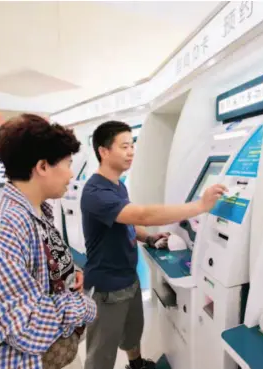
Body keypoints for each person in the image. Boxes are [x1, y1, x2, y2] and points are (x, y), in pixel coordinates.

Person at [0, 114, 97, 369]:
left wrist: (68, 272)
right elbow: (25, 326)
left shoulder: (37, 212)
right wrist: (83, 306)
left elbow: (34, 266)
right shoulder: (5, 229)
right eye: (68, 163)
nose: (71, 174)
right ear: (43, 167)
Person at [81, 121, 227, 369]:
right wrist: (199, 207)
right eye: (124, 146)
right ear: (103, 151)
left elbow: (127, 222)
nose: (131, 152)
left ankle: (136, 365)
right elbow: (142, 215)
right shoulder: (96, 192)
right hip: (107, 286)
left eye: (132, 145)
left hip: (128, 277)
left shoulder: (118, 185)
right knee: (101, 353)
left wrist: (148, 238)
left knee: (132, 331)